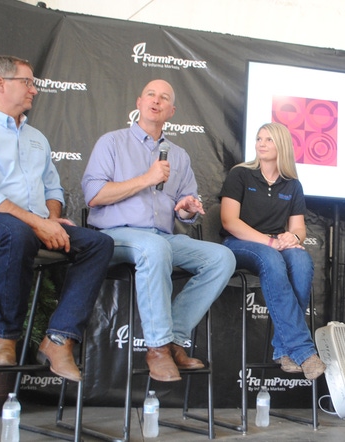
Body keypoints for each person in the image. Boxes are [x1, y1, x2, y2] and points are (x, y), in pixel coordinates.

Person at [0, 55, 114, 382]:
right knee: (18, 233)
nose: (34, 90)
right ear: (0, 84)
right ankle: (5, 337)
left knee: (99, 244)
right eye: (27, 82)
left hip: (35, 224)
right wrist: (38, 224)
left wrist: (51, 219)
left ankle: (59, 338)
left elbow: (53, 187)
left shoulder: (37, 137)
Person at [81, 79, 235, 382]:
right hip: (115, 235)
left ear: (171, 111)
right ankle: (158, 348)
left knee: (222, 259)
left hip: (161, 236)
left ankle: (176, 338)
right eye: (150, 94)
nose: (156, 100)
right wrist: (147, 178)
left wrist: (189, 208)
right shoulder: (112, 142)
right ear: (138, 103)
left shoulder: (179, 155)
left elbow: (186, 206)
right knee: (156, 248)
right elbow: (94, 196)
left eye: (164, 98)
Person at [219, 122, 325, 380]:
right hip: (239, 244)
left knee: (300, 260)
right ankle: (302, 349)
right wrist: (270, 242)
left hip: (275, 244)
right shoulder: (240, 174)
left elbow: (299, 229)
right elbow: (229, 221)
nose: (261, 143)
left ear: (282, 146)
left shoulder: (292, 185)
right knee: (273, 259)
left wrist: (292, 237)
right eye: (259, 138)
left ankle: (283, 350)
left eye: (268, 139)